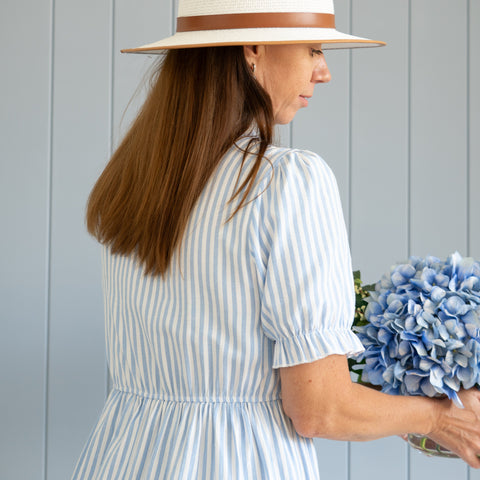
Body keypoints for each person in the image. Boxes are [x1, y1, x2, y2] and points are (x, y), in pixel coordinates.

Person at [72, 0, 480, 478]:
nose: (323, 72)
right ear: (252, 49)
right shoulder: (286, 180)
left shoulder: (134, 183)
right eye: (313, 50)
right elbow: (318, 408)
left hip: (122, 456)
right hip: (235, 464)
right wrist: (438, 417)